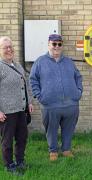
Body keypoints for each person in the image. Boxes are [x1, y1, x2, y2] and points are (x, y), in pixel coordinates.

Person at [29, 34, 83, 161]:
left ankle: (66, 149)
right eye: (54, 44)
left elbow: (78, 77)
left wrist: (78, 92)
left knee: (69, 128)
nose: (57, 47)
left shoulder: (69, 62)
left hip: (71, 104)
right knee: (51, 129)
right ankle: (53, 150)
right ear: (49, 44)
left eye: (59, 44)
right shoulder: (40, 62)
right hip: (50, 105)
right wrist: (39, 96)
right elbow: (33, 79)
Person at [0, 36, 33, 174]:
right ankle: (9, 165)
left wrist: (29, 101)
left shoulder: (17, 65)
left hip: (21, 109)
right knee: (7, 140)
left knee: (22, 137)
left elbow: (26, 85)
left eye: (10, 46)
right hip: (7, 111)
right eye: (5, 47)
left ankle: (20, 161)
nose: (9, 49)